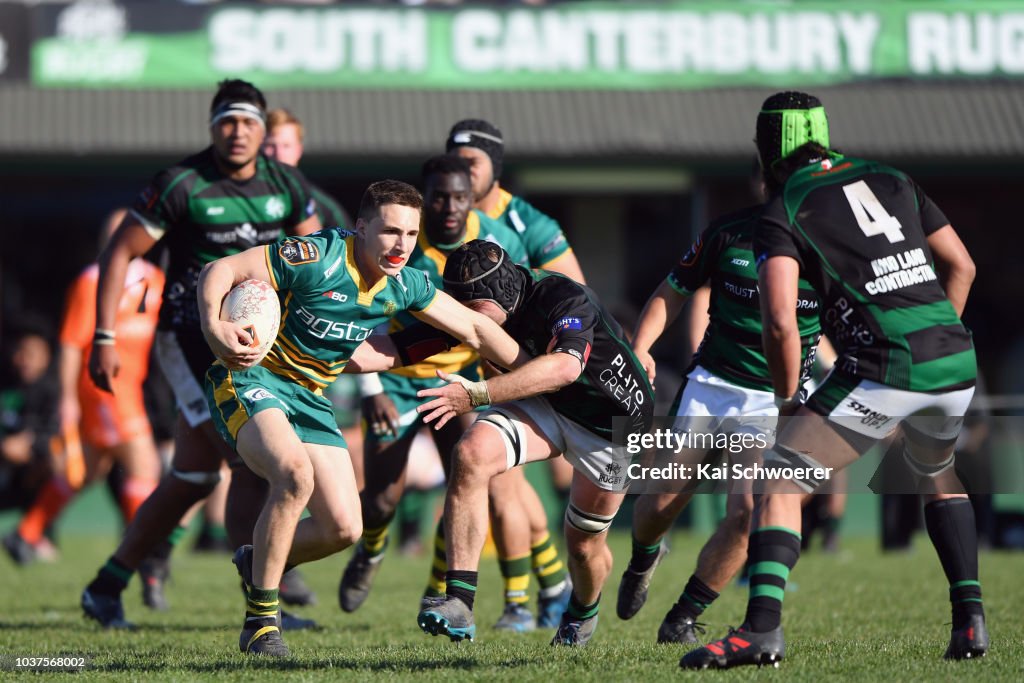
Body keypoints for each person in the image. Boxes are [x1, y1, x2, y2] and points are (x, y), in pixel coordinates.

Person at [681, 91, 986, 669]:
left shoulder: (783, 208)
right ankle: (971, 623)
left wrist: (788, 399)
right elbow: (962, 266)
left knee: (779, 477)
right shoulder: (889, 176)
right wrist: (933, 345)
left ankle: (760, 631)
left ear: (766, 149)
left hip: (888, 365)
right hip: (953, 357)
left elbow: (778, 321)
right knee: (937, 471)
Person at [198, 180, 526, 656]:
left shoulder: (404, 283)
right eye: (390, 231)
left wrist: (537, 370)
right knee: (294, 476)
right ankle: (262, 625)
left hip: (310, 396)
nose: (401, 245)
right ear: (360, 227)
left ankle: (259, 562)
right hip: (252, 378)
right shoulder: (318, 256)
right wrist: (215, 326)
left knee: (345, 529)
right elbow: (221, 268)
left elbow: (475, 326)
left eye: (411, 235)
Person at [80, 78, 322, 630]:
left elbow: (318, 253)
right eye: (226, 121)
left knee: (193, 477)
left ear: (264, 131)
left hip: (256, 346)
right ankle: (263, 605)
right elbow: (120, 252)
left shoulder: (285, 183)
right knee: (249, 463)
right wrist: (104, 336)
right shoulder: (182, 184)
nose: (237, 132)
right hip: (189, 341)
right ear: (212, 126)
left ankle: (107, 585)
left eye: (248, 122)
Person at [338, 155, 572, 634]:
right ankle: (373, 546)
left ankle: (510, 599)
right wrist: (370, 389)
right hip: (398, 376)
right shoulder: (400, 237)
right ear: (425, 200)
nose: (449, 206)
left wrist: (515, 375)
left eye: (459, 197)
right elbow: (361, 313)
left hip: (461, 379)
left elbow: (512, 308)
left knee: (479, 475)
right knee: (381, 499)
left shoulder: (495, 240)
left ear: (473, 198)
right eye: (440, 197)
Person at [415, 239, 654, 646]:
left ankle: (582, 610)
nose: (468, 318)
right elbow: (399, 350)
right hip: (546, 404)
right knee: (471, 454)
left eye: (474, 310)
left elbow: (564, 367)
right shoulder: (481, 307)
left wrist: (475, 394)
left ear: (503, 292)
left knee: (582, 546)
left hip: (612, 428)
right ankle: (459, 599)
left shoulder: (563, 296)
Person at [616, 189, 823, 642]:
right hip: (712, 388)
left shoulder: (833, 244)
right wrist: (640, 349)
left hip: (774, 399)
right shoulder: (728, 234)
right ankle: (644, 558)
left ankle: (683, 617)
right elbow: (672, 292)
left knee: (750, 509)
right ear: (762, 185)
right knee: (658, 504)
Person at [446, 118, 585, 626]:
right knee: (495, 480)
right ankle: (545, 587)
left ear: (494, 169)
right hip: (459, 363)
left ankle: (526, 600)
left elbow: (574, 295)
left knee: (500, 480)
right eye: (453, 164)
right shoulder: (441, 216)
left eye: (471, 164)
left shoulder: (532, 226)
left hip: (520, 371)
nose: (460, 175)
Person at [4, 210, 164, 603]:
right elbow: (73, 343)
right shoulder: (91, 281)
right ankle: (142, 564)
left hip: (132, 388)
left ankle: (26, 534)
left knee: (88, 470)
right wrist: (68, 400)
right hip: (105, 390)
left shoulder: (155, 280)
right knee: (146, 470)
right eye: (116, 234)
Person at [0, 325, 60, 548]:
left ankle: (40, 537)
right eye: (21, 352)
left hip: (32, 469)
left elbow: (57, 431)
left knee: (52, 465)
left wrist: (33, 444)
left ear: (46, 357)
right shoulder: (7, 385)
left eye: (32, 354)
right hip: (4, 466)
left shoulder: (54, 392)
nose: (24, 360)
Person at [263, 108, 351, 231]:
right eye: (270, 145)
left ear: (299, 150)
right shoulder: (236, 196)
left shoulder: (323, 206)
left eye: (286, 145)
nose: (278, 153)